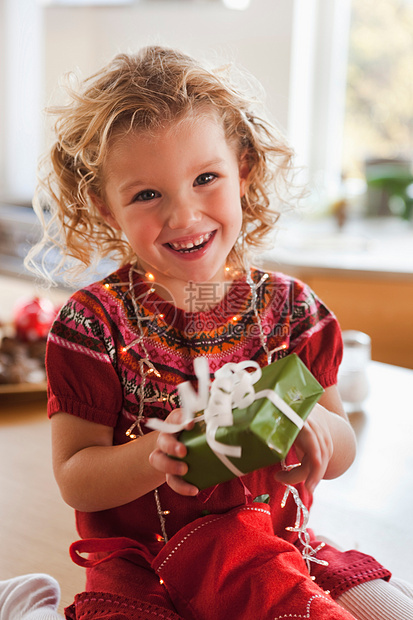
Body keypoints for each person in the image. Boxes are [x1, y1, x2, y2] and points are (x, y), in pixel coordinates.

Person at [7, 45, 412, 619]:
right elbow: (77, 478)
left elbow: (340, 445)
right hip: (148, 569)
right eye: (147, 194)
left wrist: (316, 425)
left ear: (243, 170)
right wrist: (155, 455)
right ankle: (28, 609)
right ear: (103, 206)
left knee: (391, 609)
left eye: (205, 178)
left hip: (281, 547)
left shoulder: (292, 311)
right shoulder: (92, 325)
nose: (184, 216)